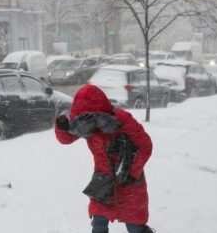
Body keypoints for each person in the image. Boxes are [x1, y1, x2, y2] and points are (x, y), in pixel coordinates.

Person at [54, 84, 154, 233]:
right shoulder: (86, 125)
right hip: (103, 182)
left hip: (129, 182)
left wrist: (133, 173)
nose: (90, 125)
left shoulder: (121, 119)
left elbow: (145, 145)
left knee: (135, 226)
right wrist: (61, 126)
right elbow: (66, 139)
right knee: (98, 224)